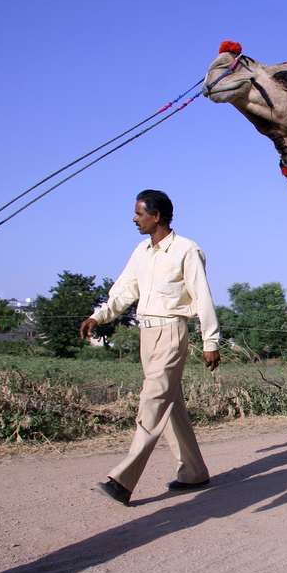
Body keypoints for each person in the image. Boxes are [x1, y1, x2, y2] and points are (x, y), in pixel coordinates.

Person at [80, 190, 221, 506]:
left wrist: (211, 341)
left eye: (139, 213)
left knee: (152, 402)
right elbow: (123, 291)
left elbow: (202, 296)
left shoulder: (187, 250)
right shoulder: (141, 252)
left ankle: (123, 479)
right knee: (169, 405)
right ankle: (194, 472)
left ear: (156, 216)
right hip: (147, 335)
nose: (134, 218)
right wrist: (97, 316)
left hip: (172, 333)